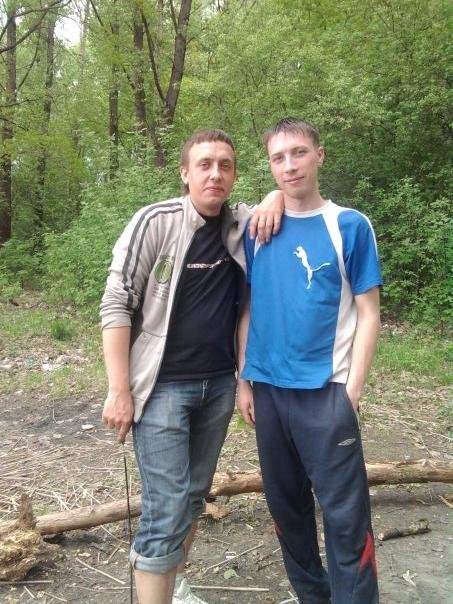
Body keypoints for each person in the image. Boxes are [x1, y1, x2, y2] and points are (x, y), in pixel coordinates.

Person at [100, 128, 282, 604]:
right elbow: (117, 303)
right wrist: (119, 389)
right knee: (165, 508)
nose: (215, 174)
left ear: (234, 175)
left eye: (225, 165)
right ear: (184, 173)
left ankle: (174, 584)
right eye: (204, 164)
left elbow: (286, 198)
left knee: (194, 497)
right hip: (161, 387)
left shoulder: (240, 225)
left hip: (219, 385)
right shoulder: (155, 222)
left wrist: (274, 195)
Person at [237, 117, 382, 604]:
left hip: (326, 393)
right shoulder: (257, 228)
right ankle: (312, 596)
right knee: (287, 512)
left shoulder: (349, 226)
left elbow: (369, 312)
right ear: (269, 166)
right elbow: (249, 307)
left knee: (345, 519)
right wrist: (244, 379)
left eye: (298, 153)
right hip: (268, 393)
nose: (289, 166)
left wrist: (351, 391)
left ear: (319, 155)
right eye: (278, 158)